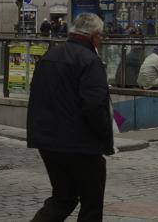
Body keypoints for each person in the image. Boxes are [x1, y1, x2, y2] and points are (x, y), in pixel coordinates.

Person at [26, 12, 114, 222]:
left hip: (47, 140)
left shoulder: (49, 56)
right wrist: (105, 138)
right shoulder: (90, 62)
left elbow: (35, 92)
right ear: (94, 36)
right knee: (91, 202)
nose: (100, 41)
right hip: (80, 144)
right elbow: (94, 106)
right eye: (100, 36)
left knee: (63, 197)